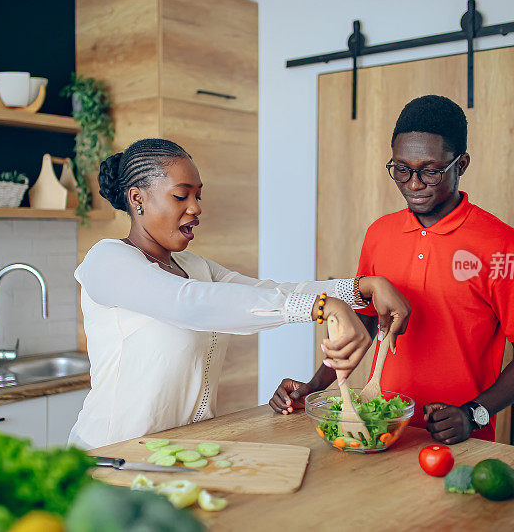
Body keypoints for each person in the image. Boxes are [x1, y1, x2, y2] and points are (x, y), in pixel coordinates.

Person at [69, 138, 410, 449]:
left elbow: (270, 292)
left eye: (198, 195)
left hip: (180, 453)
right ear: (137, 198)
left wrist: (362, 287)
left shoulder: (194, 267)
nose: (196, 207)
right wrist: (325, 308)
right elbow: (187, 303)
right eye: (181, 195)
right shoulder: (108, 260)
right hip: (109, 457)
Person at [269, 95, 514, 444]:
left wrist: (474, 413)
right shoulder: (379, 233)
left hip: (459, 438)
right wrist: (312, 388)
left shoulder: (505, 245)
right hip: (381, 429)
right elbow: (366, 323)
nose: (414, 184)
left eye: (430, 171)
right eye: (401, 169)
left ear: (461, 165)